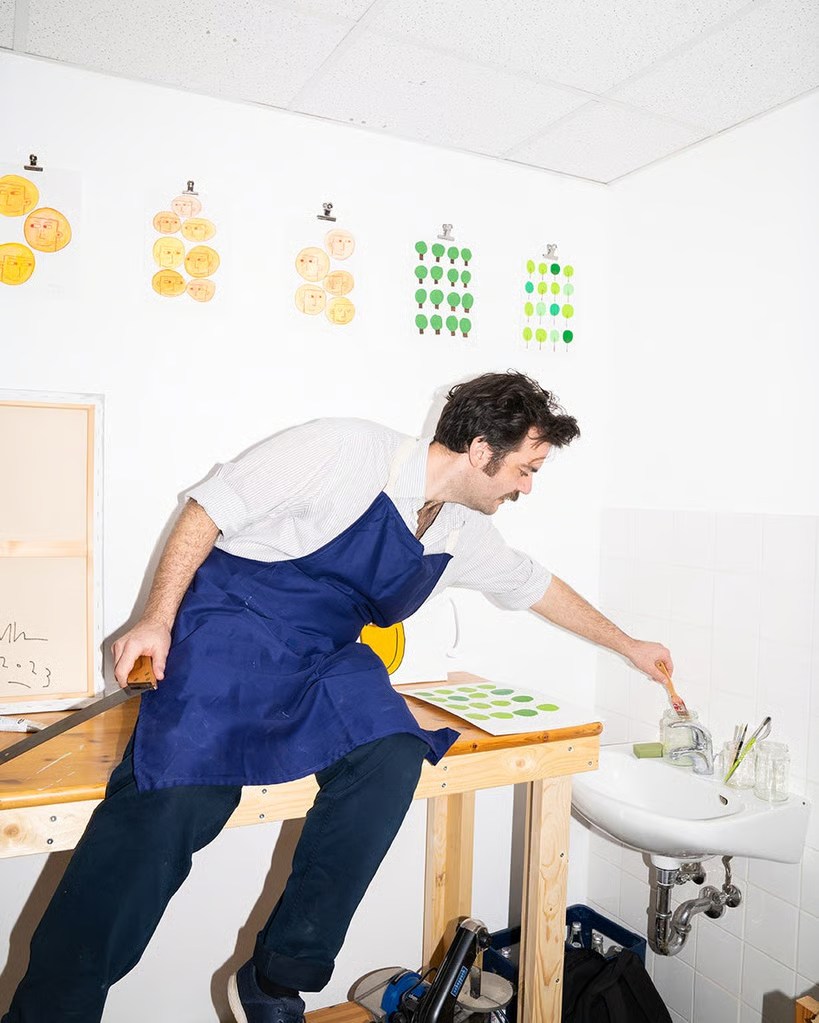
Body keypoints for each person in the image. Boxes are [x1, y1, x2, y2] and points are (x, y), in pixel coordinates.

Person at [2, 371, 672, 1023]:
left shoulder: (459, 531)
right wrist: (155, 618)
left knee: (394, 750)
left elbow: (535, 585)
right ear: (479, 451)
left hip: (322, 655)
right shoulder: (347, 450)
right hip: (233, 629)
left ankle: (276, 974)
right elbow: (209, 508)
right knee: (176, 800)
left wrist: (629, 645)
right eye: (525, 469)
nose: (526, 487)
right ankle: (50, 1008)